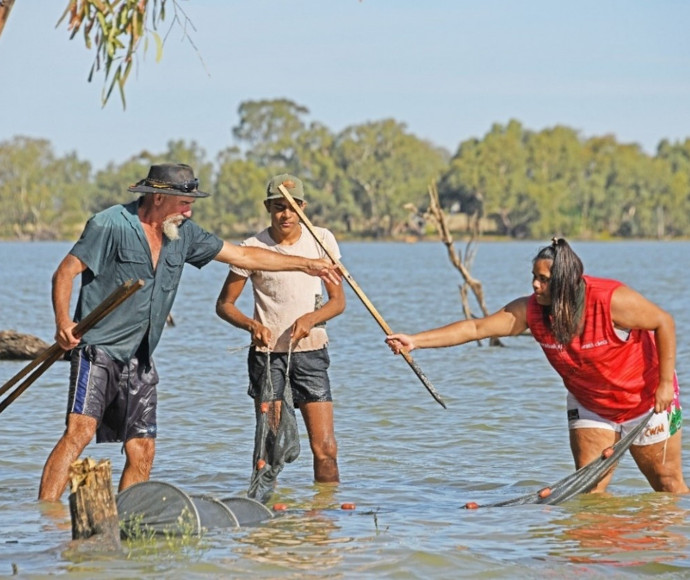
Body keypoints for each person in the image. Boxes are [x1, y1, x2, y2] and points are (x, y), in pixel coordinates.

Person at [38, 163, 340, 502]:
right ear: (157, 197)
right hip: (98, 349)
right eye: (184, 202)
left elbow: (242, 255)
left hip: (140, 355)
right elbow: (65, 273)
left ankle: (129, 522)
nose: (189, 209)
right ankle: (45, 519)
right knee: (79, 432)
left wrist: (305, 264)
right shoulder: (109, 224)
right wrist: (63, 322)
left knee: (142, 449)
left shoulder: (183, 233)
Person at [386, 237, 689, 494]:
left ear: (566, 281)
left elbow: (664, 322)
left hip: (647, 399)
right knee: (589, 490)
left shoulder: (610, 299)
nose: (535, 285)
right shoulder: (531, 311)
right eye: (534, 276)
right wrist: (416, 340)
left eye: (544, 279)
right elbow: (476, 329)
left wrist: (664, 384)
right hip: (591, 404)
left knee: (668, 484)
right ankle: (596, 559)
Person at [216, 174, 345, 484]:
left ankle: (324, 520)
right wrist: (252, 325)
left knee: (325, 448)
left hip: (310, 354)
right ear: (268, 208)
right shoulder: (251, 247)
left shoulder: (322, 240)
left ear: (303, 207)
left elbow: (337, 301)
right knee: (270, 448)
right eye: (278, 208)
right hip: (268, 358)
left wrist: (310, 320)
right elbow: (224, 305)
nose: (285, 215)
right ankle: (267, 523)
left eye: (292, 207)